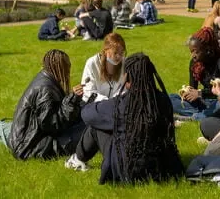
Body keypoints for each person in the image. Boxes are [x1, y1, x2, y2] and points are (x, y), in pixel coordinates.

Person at [65, 53, 184, 184]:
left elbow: (87, 114)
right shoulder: (163, 100)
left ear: (128, 79)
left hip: (128, 168)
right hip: (162, 167)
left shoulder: (123, 104)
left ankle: (77, 160)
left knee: (96, 126)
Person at [9, 49, 85, 160]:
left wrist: (78, 102)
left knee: (87, 117)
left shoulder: (46, 79)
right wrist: (72, 100)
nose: (69, 70)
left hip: (32, 140)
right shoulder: (45, 89)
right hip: (30, 147)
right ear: (59, 67)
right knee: (89, 130)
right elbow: (52, 125)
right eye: (67, 66)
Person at [169, 27, 220, 120]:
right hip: (203, 101)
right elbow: (193, 88)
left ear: (207, 49)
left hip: (218, 100)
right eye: (191, 51)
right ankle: (203, 114)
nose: (193, 55)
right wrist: (187, 93)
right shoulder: (194, 63)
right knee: (170, 98)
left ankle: (194, 117)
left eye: (196, 52)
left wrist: (200, 93)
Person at [80, 33, 127, 102]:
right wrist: (107, 102)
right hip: (95, 104)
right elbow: (88, 91)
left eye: (121, 53)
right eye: (115, 53)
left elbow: (125, 88)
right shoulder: (92, 63)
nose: (119, 56)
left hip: (117, 103)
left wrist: (115, 100)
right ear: (105, 51)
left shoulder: (125, 63)